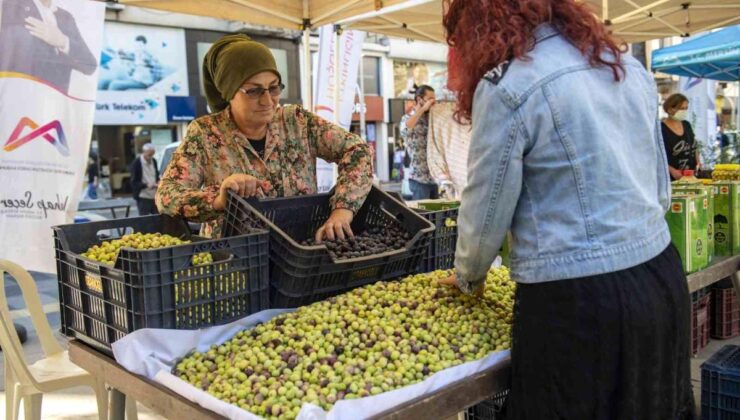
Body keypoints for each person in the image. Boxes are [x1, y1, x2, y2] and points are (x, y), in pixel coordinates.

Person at [440, 1, 693, 419]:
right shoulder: (623, 66)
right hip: (659, 276)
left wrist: (469, 277)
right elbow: (659, 191)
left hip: (577, 302)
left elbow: (485, 212)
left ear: (479, 27)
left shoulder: (507, 86)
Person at [156, 34, 373, 241]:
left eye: (274, 88)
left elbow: (357, 150)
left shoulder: (297, 121)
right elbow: (167, 195)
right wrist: (218, 199)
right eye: (254, 91)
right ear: (229, 92)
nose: (268, 100)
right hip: (237, 262)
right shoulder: (205, 133)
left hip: (300, 253)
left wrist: (343, 210)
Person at [0, 0, 97, 94]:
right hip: (18, 100)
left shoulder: (66, 17)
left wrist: (63, 41)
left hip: (55, 103)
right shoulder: (10, 7)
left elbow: (90, 65)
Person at [400, 85, 438, 200]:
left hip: (435, 179)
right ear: (419, 99)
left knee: (435, 217)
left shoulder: (432, 119)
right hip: (419, 180)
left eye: (434, 99)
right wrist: (422, 109)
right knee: (420, 216)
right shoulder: (408, 118)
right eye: (430, 99)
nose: (433, 102)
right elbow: (405, 130)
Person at [662, 93, 701, 180]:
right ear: (670, 109)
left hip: (691, 175)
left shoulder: (686, 125)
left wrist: (698, 162)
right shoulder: (661, 128)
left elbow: (694, 146)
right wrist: (671, 170)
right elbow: (657, 155)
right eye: (681, 108)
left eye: (686, 108)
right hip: (671, 178)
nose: (684, 111)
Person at [130, 143, 160, 216]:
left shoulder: (154, 161)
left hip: (154, 195)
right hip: (143, 196)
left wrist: (158, 182)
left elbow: (156, 175)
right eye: (149, 155)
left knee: (157, 218)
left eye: (152, 154)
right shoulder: (136, 163)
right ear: (144, 152)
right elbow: (133, 182)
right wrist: (146, 185)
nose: (150, 157)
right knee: (144, 220)